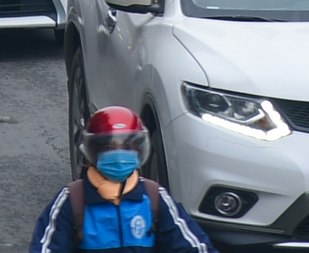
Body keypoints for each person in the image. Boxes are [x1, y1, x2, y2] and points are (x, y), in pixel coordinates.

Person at [30, 106, 217, 253]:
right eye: (109, 147)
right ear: (93, 152)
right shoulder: (73, 200)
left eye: (127, 146)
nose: (119, 155)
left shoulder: (154, 198)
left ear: (139, 150)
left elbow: (194, 247)